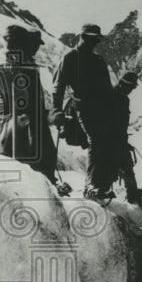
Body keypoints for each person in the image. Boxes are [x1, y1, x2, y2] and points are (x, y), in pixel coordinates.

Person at [51, 23, 115, 199]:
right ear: (82, 37)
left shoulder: (98, 60)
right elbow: (58, 86)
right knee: (95, 142)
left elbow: (108, 89)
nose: (92, 42)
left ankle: (102, 184)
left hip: (102, 109)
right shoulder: (70, 57)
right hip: (83, 108)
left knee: (106, 143)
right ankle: (92, 185)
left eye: (95, 39)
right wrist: (56, 110)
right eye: (89, 38)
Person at [0, 24, 59, 187]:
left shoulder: (23, 62)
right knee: (25, 154)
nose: (37, 48)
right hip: (20, 117)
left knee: (41, 152)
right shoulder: (12, 62)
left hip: (28, 116)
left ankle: (47, 181)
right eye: (34, 44)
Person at [109, 71, 142, 204]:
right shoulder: (115, 96)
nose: (132, 89)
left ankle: (131, 192)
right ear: (125, 84)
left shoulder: (121, 96)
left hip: (118, 138)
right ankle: (130, 193)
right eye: (132, 86)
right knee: (124, 165)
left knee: (126, 165)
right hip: (113, 139)